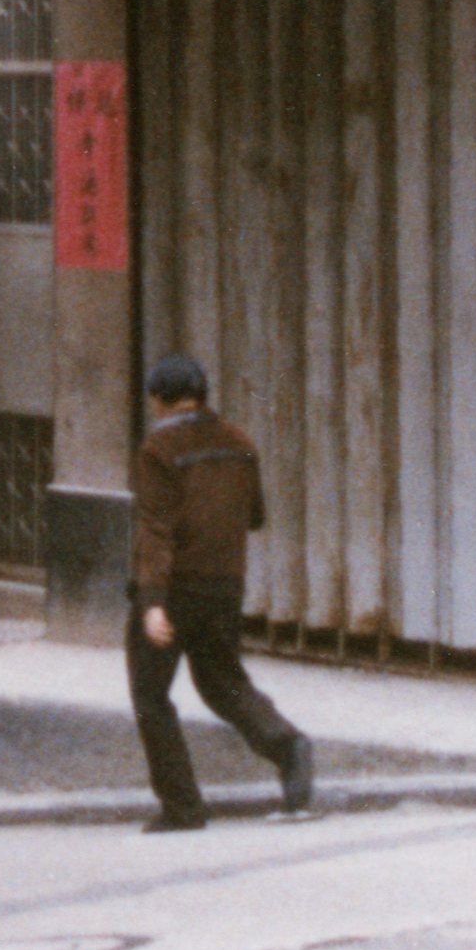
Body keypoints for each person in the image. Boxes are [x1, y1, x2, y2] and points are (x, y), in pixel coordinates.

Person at [128, 353, 314, 833]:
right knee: (222, 683)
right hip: (224, 587)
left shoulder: (158, 451)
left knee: (151, 698)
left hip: (173, 588)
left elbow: (155, 531)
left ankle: (183, 807)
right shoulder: (239, 443)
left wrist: (151, 604)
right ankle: (287, 744)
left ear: (160, 400)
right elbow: (255, 515)